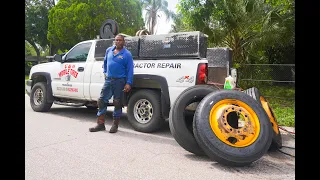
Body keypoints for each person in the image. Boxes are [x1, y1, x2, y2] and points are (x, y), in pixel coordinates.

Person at [89, 34, 134, 133]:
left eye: (120, 40)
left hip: (120, 81)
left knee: (117, 102)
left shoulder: (127, 54)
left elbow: (130, 70)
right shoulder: (109, 50)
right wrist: (105, 72)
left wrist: (128, 83)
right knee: (101, 100)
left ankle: (115, 125)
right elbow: (105, 63)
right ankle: (100, 124)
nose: (118, 42)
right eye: (116, 40)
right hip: (109, 80)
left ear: (124, 42)